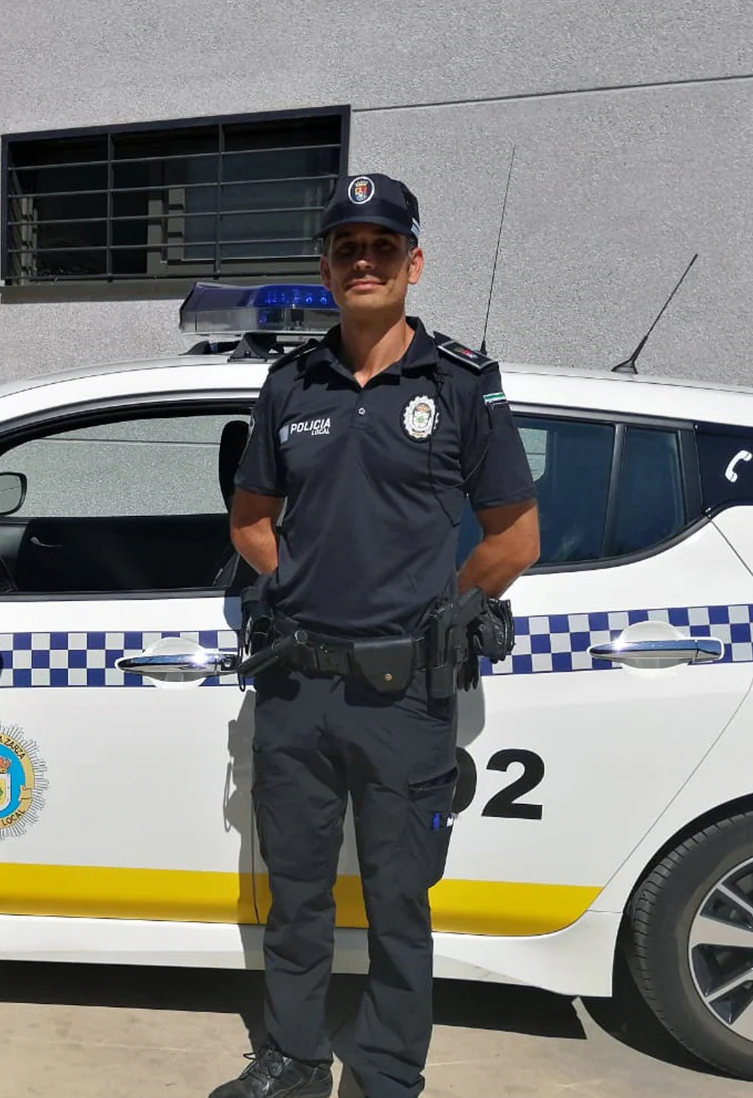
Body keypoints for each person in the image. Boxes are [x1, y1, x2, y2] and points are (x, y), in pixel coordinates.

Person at [214, 173, 541, 1098]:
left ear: (412, 262)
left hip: (407, 694)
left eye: (382, 247)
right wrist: (299, 583)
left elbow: (514, 537)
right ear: (325, 267)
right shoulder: (290, 385)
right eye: (347, 248)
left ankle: (390, 1071)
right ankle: (290, 1058)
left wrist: (441, 607)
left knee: (399, 901)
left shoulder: (463, 383)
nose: (364, 261)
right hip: (298, 687)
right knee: (297, 896)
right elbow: (249, 521)